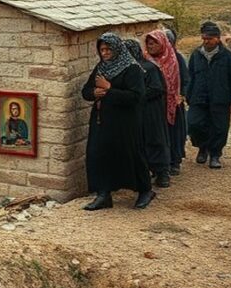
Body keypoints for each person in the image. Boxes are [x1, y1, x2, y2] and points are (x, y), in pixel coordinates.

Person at [81, 33, 154, 210]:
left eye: (108, 49)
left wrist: (109, 89)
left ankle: (145, 190)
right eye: (102, 49)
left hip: (125, 122)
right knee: (100, 155)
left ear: (117, 49)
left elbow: (137, 97)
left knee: (131, 154)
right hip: (102, 121)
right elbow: (86, 90)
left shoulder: (132, 69)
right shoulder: (101, 67)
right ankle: (104, 194)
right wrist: (94, 93)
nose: (105, 53)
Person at [186, 21, 231, 169]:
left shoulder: (228, 56)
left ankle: (215, 154)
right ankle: (202, 147)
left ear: (217, 39)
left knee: (219, 127)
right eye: (204, 38)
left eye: (209, 39)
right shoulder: (196, 54)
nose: (206, 41)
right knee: (194, 124)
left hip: (220, 98)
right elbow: (190, 76)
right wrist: (188, 94)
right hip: (198, 97)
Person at [125, 39, 171, 188]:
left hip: (151, 111)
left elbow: (158, 88)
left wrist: (136, 95)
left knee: (155, 139)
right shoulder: (124, 69)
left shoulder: (149, 68)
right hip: (134, 112)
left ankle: (162, 172)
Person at [155, 29, 189, 175]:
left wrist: (182, 94)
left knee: (175, 133)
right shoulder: (153, 59)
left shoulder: (177, 58)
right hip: (159, 104)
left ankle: (175, 161)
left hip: (174, 103)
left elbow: (186, 79)